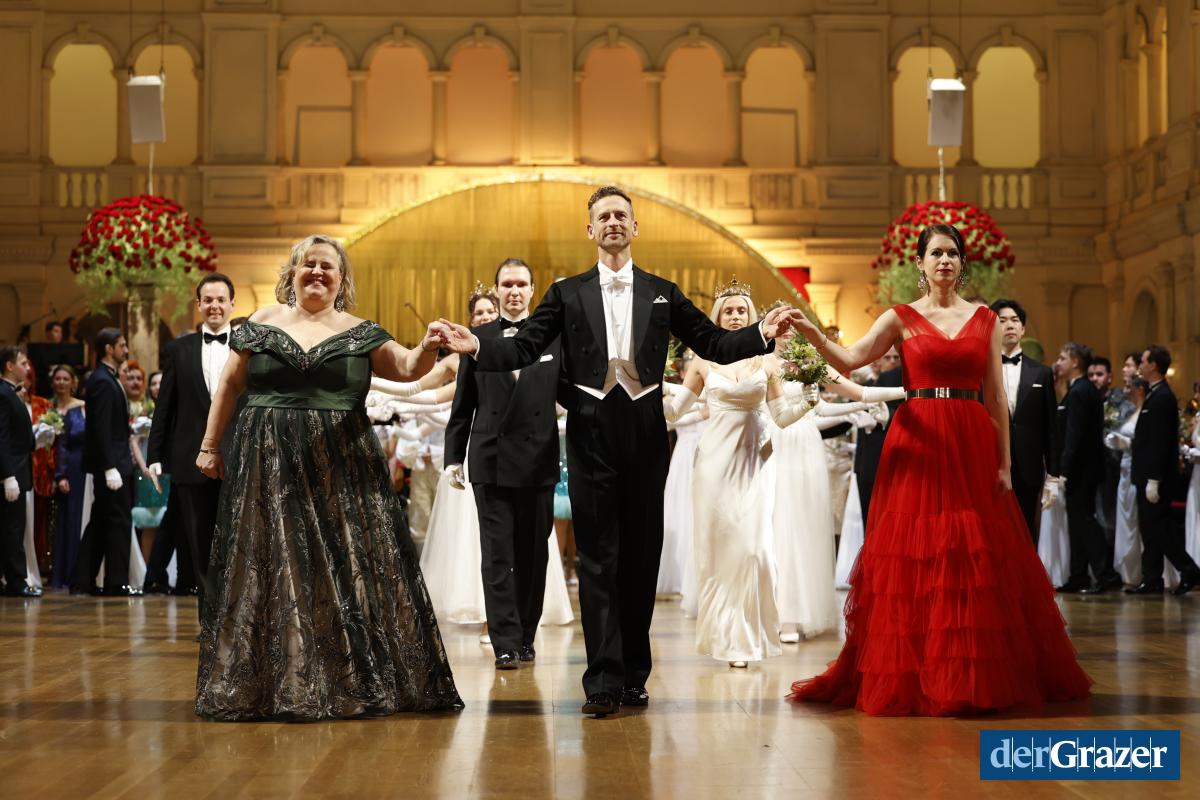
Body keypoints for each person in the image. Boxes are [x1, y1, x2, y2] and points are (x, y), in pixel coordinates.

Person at [436, 185, 797, 718]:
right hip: (590, 433)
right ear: (590, 229)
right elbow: (526, 345)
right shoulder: (565, 293)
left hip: (647, 432)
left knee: (642, 556)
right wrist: (477, 345)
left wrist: (761, 333)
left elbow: (712, 343)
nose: (612, 222)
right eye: (602, 216)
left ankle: (633, 675)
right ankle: (602, 680)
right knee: (597, 557)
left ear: (634, 227)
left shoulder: (662, 291)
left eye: (620, 215)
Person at [786, 223, 1092, 716]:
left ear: (962, 263)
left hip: (970, 438)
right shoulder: (900, 316)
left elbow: (996, 396)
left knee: (970, 551)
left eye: (952, 253)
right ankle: (915, 673)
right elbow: (851, 359)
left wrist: (1005, 464)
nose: (945, 260)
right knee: (915, 550)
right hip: (917, 438)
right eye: (936, 253)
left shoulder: (985, 320)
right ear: (921, 263)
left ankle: (973, 674)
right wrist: (811, 332)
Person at [193, 234, 461, 720]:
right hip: (267, 461)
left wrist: (427, 346)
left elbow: (406, 369)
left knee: (341, 563)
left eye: (327, 266)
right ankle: (277, 683)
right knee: (274, 563)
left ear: (342, 278)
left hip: (339, 462)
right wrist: (210, 445)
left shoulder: (360, 331)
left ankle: (344, 678)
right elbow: (230, 385)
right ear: (292, 273)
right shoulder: (261, 322)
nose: (317, 272)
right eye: (308, 264)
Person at [662, 282, 815, 668]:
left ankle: (747, 636)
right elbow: (675, 411)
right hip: (712, 466)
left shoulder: (767, 363)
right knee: (717, 552)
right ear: (718, 317)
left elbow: (781, 416)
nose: (735, 316)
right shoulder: (702, 360)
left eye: (741, 310)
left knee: (753, 550)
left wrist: (808, 402)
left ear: (752, 317)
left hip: (753, 465)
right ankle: (728, 641)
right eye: (728, 310)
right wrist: (646, 391)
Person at [445, 259, 563, 670]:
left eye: (521, 284)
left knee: (533, 556)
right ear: (496, 291)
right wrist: (453, 457)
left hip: (538, 460)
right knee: (497, 556)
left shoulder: (553, 337)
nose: (514, 291)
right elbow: (463, 403)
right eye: (507, 284)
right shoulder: (477, 339)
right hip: (490, 459)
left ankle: (526, 636)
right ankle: (505, 643)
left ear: (532, 290)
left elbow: (572, 392)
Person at [147, 273, 237, 624]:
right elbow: (165, 408)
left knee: (236, 542)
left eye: (221, 300)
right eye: (208, 300)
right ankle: (210, 623)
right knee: (199, 545)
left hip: (238, 460)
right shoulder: (178, 349)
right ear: (198, 305)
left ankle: (237, 621)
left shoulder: (247, 347)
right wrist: (155, 455)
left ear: (232, 304)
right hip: (190, 462)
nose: (215, 306)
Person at [1127, 345, 1200, 595]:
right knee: (1150, 529)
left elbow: (1159, 442)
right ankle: (1152, 578)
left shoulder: (1163, 397)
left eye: (1144, 361)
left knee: (1160, 528)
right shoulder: (1155, 394)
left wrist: (1154, 479)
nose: (1140, 365)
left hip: (1156, 476)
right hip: (1147, 473)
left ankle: (1189, 569)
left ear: (1153, 366)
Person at [72, 329, 139, 597]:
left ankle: (83, 579)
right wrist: (110, 467)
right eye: (122, 345)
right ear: (109, 349)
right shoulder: (101, 380)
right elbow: (99, 428)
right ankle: (116, 582)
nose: (126, 350)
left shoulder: (106, 377)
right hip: (112, 465)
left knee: (101, 520)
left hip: (115, 461)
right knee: (117, 522)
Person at [1054, 342, 1122, 594]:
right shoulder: (1080, 389)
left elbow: (1075, 435)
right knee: (1077, 521)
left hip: (1082, 469)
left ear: (1075, 362)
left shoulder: (1080, 391)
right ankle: (1079, 575)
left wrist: (1064, 469)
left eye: (1062, 357)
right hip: (1085, 468)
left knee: (1084, 520)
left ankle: (1106, 574)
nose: (1058, 362)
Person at [991, 299, 1059, 542]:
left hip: (1029, 465)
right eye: (1002, 321)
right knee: (994, 532)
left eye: (1015, 320)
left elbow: (1051, 427)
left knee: (1026, 532)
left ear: (1023, 329)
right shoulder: (982, 372)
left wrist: (1053, 475)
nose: (1009, 325)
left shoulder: (1042, 373)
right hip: (991, 464)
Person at [0, 346, 38, 597]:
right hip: (11, 472)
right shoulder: (3, 394)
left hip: (18, 468)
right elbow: (1, 438)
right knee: (12, 528)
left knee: (11, 527)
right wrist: (8, 475)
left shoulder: (12, 393)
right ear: (9, 366)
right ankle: (16, 581)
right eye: (23, 363)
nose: (27, 367)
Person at [49, 365, 86, 589]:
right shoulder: (46, 406)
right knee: (61, 519)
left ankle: (75, 570)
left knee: (76, 517)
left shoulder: (81, 408)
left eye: (65, 379)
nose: (61, 382)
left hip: (79, 468)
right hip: (56, 467)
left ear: (73, 382)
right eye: (57, 379)